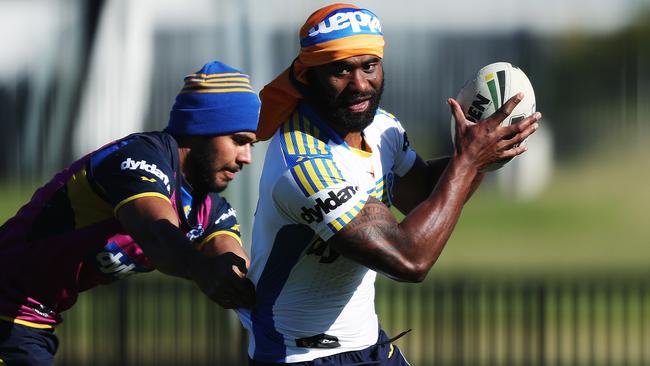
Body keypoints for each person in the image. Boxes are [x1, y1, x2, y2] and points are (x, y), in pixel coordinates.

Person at [237, 3, 541, 365]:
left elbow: (429, 194)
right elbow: (409, 259)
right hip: (299, 356)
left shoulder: (383, 128)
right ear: (308, 76)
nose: (360, 84)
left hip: (372, 347)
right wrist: (470, 159)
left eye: (369, 65)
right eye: (340, 70)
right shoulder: (303, 162)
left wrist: (486, 150)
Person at [0, 60, 259, 365]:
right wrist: (202, 269)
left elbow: (237, 266)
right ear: (202, 128)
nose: (247, 158)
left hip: (31, 321)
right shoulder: (137, 159)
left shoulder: (209, 209)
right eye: (239, 141)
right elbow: (158, 235)